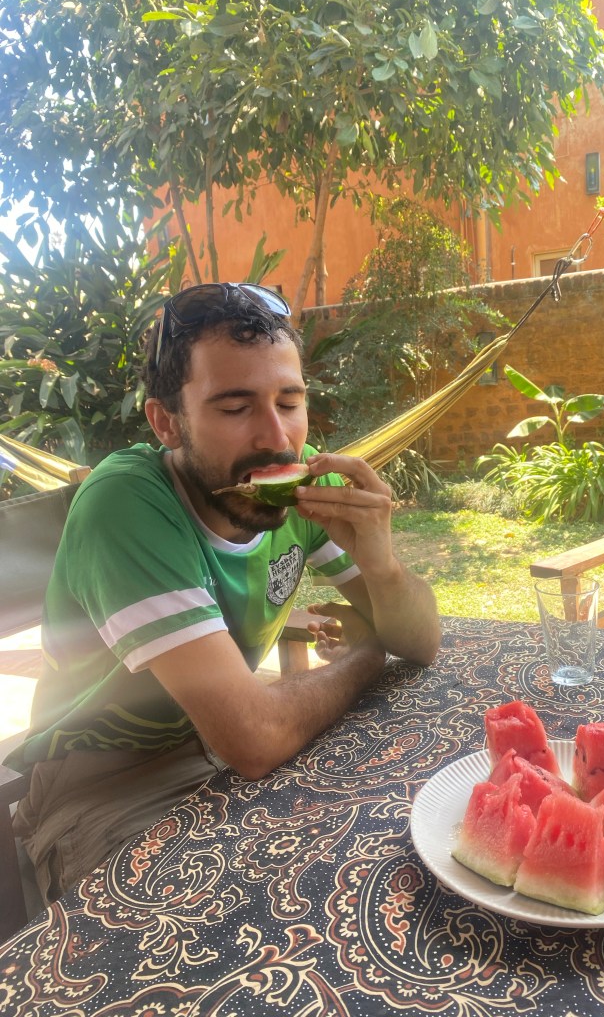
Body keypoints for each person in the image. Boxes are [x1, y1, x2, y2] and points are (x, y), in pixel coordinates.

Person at [7, 281, 441, 904]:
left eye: (289, 402)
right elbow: (256, 739)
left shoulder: (294, 478)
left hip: (216, 744)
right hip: (106, 780)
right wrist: (365, 658)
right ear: (167, 423)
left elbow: (422, 643)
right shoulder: (126, 504)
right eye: (235, 408)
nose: (277, 438)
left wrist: (382, 565)